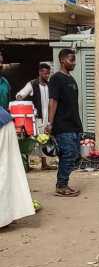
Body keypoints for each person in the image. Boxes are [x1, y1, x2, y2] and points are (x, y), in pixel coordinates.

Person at [46, 48, 83, 197]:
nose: (74, 63)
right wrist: (50, 123)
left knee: (73, 155)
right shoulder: (56, 79)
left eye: (74, 59)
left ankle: (64, 183)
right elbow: (53, 101)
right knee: (68, 154)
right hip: (62, 124)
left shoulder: (71, 79)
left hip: (74, 124)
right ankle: (61, 185)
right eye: (71, 59)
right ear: (62, 60)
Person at [0, 106, 35, 228]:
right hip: (5, 121)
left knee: (4, 171)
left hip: (2, 125)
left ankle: (3, 218)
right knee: (6, 170)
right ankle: (7, 216)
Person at [16, 62, 53, 170]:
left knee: (44, 138)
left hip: (47, 117)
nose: (47, 76)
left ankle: (44, 163)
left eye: (48, 74)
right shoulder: (32, 84)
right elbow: (20, 94)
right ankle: (27, 163)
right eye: (45, 74)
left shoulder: (49, 85)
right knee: (31, 139)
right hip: (36, 117)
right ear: (40, 72)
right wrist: (21, 101)